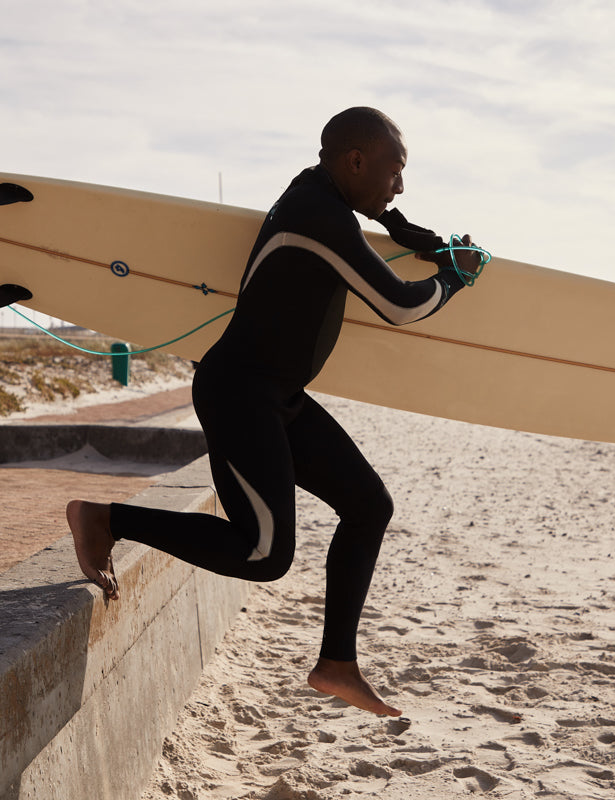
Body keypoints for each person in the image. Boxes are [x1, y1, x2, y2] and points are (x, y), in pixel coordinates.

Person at [68, 107, 482, 717]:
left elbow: (366, 226)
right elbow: (399, 305)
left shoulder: (322, 200)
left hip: (278, 395)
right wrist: (453, 277)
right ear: (356, 160)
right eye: (395, 171)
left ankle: (337, 663)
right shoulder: (316, 214)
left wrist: (403, 226)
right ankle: (105, 520)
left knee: (369, 506)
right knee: (263, 554)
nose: (400, 185)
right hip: (238, 394)